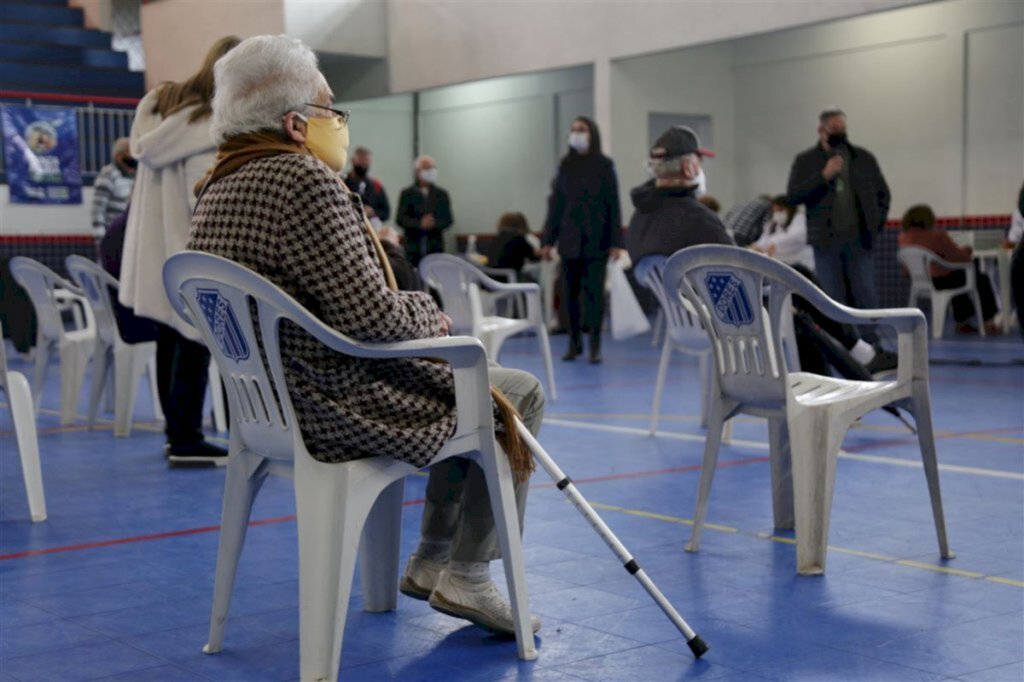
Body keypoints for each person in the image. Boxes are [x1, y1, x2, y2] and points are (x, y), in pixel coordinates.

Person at [188, 34, 544, 636]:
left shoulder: (214, 186)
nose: (337, 122)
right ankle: (467, 574)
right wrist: (426, 315)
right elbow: (373, 317)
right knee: (514, 391)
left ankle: (432, 561)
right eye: (330, 108)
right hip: (335, 400)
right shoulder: (302, 180)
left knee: (463, 385)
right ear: (297, 124)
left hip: (265, 408)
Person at [628, 125, 895, 376]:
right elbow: (743, 273)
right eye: (699, 162)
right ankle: (852, 364)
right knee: (796, 291)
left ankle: (858, 357)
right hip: (724, 318)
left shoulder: (640, 218)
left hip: (683, 321)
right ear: (689, 167)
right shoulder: (697, 217)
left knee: (795, 302)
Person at [120, 35, 241, 465]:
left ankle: (177, 434)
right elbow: (200, 198)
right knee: (196, 341)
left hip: (154, 251)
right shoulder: (210, 127)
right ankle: (187, 436)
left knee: (170, 338)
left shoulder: (161, 104)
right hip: (190, 250)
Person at [787, 108, 890, 310]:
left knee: (864, 294)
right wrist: (823, 176)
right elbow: (793, 196)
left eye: (843, 128)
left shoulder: (863, 158)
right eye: (834, 128)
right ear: (821, 130)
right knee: (832, 297)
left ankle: (870, 340)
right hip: (826, 243)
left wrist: (874, 225)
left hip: (860, 241)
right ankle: (839, 341)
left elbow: (883, 194)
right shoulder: (806, 161)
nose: (840, 132)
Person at [540, 116, 623, 364]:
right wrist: (548, 239)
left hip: (597, 241)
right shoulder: (565, 165)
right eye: (574, 129)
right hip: (569, 240)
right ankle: (573, 343)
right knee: (569, 295)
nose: (577, 133)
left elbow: (613, 204)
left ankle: (595, 345)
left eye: (582, 130)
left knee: (594, 296)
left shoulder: (605, 165)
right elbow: (555, 204)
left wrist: (616, 242)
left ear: (592, 134)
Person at [898, 205, 999, 334]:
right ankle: (988, 321)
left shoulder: (903, 238)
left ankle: (963, 321)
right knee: (979, 278)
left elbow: (905, 269)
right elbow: (959, 257)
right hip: (942, 280)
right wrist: (967, 250)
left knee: (958, 277)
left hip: (919, 282)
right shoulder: (936, 235)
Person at [396, 155, 453, 266]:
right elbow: (400, 219)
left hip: (435, 246)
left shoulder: (441, 194)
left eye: (433, 168)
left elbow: (448, 219)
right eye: (427, 168)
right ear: (418, 171)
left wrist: (434, 223)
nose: (432, 171)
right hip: (413, 248)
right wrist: (419, 223)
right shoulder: (407, 194)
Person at [751, 195, 815, 271]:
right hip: (782, 265)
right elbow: (764, 240)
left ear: (789, 209)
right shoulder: (772, 224)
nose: (777, 214)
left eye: (780, 210)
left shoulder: (799, 218)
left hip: (801, 265)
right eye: (775, 211)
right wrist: (757, 246)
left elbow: (797, 236)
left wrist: (775, 244)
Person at [90, 138, 136, 238]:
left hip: (129, 235)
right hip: (112, 235)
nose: (133, 157)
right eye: (130, 153)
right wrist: (101, 239)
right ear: (119, 156)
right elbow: (97, 210)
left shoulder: (133, 176)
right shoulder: (108, 175)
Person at [343, 146, 390, 226]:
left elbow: (386, 213)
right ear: (353, 160)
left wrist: (373, 212)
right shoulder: (343, 182)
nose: (364, 164)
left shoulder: (376, 185)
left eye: (366, 161)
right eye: (361, 160)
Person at [487, 212, 539, 279]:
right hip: (509, 278)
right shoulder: (518, 239)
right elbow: (533, 257)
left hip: (491, 279)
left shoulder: (497, 239)